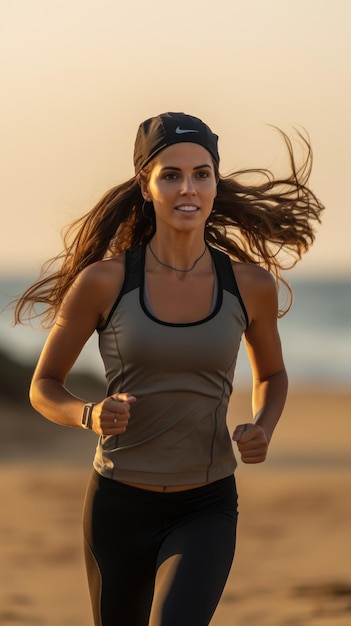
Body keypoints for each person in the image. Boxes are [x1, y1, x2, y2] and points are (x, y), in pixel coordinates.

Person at [14, 112, 324, 626]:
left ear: (215, 183)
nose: (189, 188)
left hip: (206, 505)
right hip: (117, 505)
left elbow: (271, 375)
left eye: (202, 173)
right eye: (171, 174)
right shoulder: (104, 282)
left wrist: (262, 427)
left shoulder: (250, 286)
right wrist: (87, 414)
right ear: (145, 184)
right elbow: (43, 387)